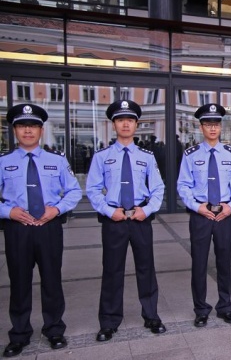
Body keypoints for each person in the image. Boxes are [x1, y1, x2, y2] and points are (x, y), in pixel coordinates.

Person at [0, 104, 81, 357]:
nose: (27, 131)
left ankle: (54, 329)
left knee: (52, 280)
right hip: (18, 229)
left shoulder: (56, 161)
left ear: (41, 130)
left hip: (48, 228)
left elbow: (74, 191)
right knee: (19, 282)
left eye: (33, 126)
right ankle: (20, 333)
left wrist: (56, 210)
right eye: (22, 126)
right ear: (14, 130)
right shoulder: (4, 162)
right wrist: (8, 212)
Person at [86, 100, 166, 341]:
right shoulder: (102, 156)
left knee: (146, 269)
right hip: (114, 219)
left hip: (141, 218)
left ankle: (151, 315)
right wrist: (109, 212)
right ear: (114, 125)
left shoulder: (147, 157)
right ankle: (109, 321)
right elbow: (92, 189)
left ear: (136, 125)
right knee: (112, 270)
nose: (125, 124)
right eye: (120, 120)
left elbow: (158, 188)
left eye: (130, 120)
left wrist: (148, 210)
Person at [177, 104, 231, 326]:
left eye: (216, 124)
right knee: (200, 264)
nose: (212, 128)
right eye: (208, 124)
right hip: (201, 216)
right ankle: (201, 309)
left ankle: (225, 306)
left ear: (220, 126)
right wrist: (197, 207)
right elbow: (183, 185)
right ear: (201, 127)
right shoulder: (190, 155)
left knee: (224, 262)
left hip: (225, 214)